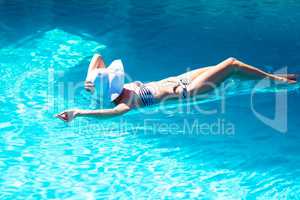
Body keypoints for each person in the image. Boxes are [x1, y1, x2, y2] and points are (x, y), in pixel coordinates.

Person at [56, 54, 297, 122]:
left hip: (182, 78)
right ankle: (275, 82)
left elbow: (97, 56)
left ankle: (271, 78)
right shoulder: (123, 103)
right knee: (231, 64)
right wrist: (78, 112)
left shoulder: (106, 88)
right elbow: (108, 115)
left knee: (225, 67)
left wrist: (90, 77)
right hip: (191, 90)